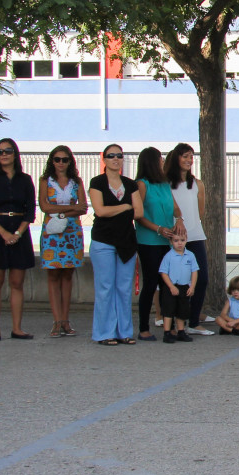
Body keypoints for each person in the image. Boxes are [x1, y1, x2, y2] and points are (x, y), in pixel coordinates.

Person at [0, 138, 37, 341]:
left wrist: (18, 233)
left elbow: (30, 211)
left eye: (8, 151)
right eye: (0, 151)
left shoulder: (25, 179)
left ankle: (17, 328)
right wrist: (4, 233)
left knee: (17, 282)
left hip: (20, 231)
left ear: (15, 154)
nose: (4, 154)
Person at [88, 144, 142, 345]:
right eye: (111, 156)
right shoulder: (97, 182)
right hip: (103, 240)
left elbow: (139, 212)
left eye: (119, 155)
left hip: (126, 241)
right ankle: (104, 332)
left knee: (123, 287)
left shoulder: (130, 184)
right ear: (104, 158)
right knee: (105, 287)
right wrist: (125, 206)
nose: (115, 159)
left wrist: (120, 209)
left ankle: (124, 331)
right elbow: (100, 211)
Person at [39, 146, 86, 337]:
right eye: (57, 159)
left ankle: (66, 320)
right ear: (52, 161)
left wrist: (58, 210)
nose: (60, 163)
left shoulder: (77, 182)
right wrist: (69, 208)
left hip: (72, 232)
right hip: (52, 233)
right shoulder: (45, 181)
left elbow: (82, 207)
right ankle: (56, 321)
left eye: (64, 159)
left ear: (70, 162)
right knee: (53, 276)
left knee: (67, 276)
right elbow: (44, 206)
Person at [133, 147, 180, 342]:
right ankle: (144, 327)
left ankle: (170, 328)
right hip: (148, 241)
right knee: (151, 283)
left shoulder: (164, 184)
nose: (162, 162)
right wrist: (158, 229)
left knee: (168, 284)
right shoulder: (142, 185)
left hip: (166, 242)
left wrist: (179, 221)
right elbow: (139, 215)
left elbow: (175, 207)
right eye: (159, 159)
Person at [165, 143, 212, 334]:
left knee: (201, 279)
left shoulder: (197, 184)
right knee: (177, 281)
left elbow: (200, 211)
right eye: (185, 156)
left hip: (195, 235)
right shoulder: (166, 183)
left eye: (191, 157)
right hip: (175, 239)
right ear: (176, 158)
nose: (188, 160)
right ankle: (177, 323)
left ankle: (193, 321)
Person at [157, 229, 200, 342]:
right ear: (171, 242)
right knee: (168, 310)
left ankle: (181, 331)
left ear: (186, 240)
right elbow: (163, 272)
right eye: (176, 240)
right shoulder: (169, 256)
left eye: (182, 240)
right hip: (171, 286)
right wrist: (171, 286)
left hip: (184, 286)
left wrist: (192, 286)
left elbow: (194, 271)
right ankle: (167, 333)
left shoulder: (190, 255)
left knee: (182, 310)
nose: (179, 243)